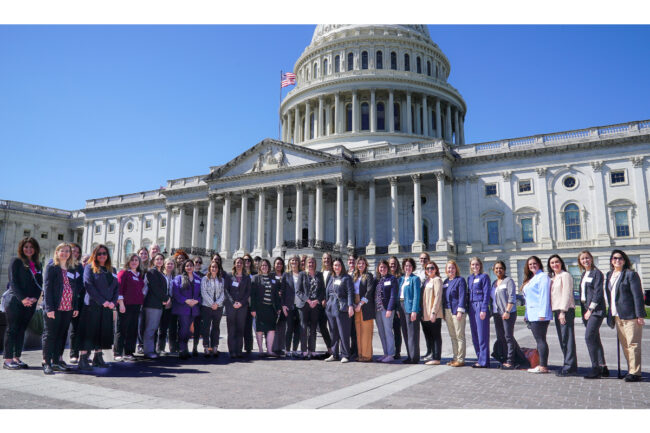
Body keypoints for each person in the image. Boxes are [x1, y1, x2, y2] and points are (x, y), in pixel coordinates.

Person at [605, 249, 646, 382]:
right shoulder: (609, 275)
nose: (617, 260)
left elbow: (637, 296)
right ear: (611, 261)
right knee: (625, 345)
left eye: (620, 258)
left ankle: (635, 372)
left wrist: (640, 315)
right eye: (615, 258)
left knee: (633, 344)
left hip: (631, 315)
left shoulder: (630, 274)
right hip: (617, 315)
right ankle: (631, 369)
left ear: (624, 260)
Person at [3, 237, 42, 370]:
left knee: (22, 330)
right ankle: (8, 360)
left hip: (30, 303)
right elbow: (13, 283)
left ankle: (17, 358)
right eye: (26, 247)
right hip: (15, 301)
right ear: (21, 248)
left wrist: (35, 299)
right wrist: (23, 299)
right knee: (12, 330)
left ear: (35, 249)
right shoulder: (16, 261)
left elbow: (39, 284)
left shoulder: (37, 264)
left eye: (31, 247)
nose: (29, 249)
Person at [77, 245, 118, 370]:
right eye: (99, 253)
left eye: (104, 253)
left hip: (107, 307)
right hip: (92, 306)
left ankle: (98, 357)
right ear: (95, 255)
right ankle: (83, 359)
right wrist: (103, 301)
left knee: (102, 332)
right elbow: (88, 285)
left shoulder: (112, 269)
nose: (102, 255)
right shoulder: (89, 268)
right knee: (89, 333)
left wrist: (113, 302)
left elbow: (116, 288)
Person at [41, 243, 79, 374]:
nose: (65, 253)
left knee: (62, 335)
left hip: (68, 308)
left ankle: (56, 361)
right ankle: (46, 362)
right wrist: (49, 308)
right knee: (50, 335)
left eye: (67, 251)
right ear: (57, 252)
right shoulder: (52, 267)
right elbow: (47, 288)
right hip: (54, 307)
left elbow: (74, 289)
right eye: (62, 251)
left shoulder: (71, 268)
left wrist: (75, 306)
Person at [578, 250, 609, 379]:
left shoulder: (597, 273)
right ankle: (603, 367)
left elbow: (598, 293)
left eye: (587, 258)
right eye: (582, 259)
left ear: (592, 259)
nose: (585, 260)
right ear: (580, 262)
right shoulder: (584, 274)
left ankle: (595, 368)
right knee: (595, 338)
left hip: (595, 310)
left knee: (589, 337)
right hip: (586, 309)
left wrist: (590, 309)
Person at [522, 256, 552, 374]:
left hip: (540, 315)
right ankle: (540, 364)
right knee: (539, 340)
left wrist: (542, 314)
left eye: (534, 263)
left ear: (539, 264)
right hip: (532, 314)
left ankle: (543, 366)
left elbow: (544, 296)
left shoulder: (543, 277)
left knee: (541, 340)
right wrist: (526, 314)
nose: (532, 266)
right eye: (530, 264)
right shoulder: (532, 278)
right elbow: (528, 299)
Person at [548, 254, 577, 376]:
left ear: (561, 263)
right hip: (557, 311)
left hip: (565, 311)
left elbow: (567, 294)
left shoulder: (565, 275)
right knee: (563, 339)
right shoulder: (553, 277)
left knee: (567, 338)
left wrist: (563, 312)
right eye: (552, 263)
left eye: (557, 262)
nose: (555, 264)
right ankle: (568, 363)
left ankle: (569, 366)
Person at [114, 254, 144, 362]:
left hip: (136, 306)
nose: (134, 262)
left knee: (132, 329)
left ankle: (129, 352)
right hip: (124, 305)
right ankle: (118, 352)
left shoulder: (139, 275)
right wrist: (121, 304)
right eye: (132, 260)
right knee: (122, 329)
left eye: (136, 260)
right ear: (128, 261)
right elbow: (119, 289)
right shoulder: (123, 273)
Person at [324, 258, 354, 363]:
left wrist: (350, 306)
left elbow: (350, 292)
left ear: (342, 266)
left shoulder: (347, 278)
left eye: (339, 265)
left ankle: (345, 354)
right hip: (330, 307)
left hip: (341, 307)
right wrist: (326, 302)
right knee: (333, 332)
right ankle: (334, 354)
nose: (337, 267)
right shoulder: (331, 277)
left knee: (343, 332)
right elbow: (327, 291)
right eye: (335, 265)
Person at [250, 259, 282, 357]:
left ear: (269, 267)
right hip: (259, 308)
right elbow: (253, 295)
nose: (264, 267)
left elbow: (276, 295)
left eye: (266, 265)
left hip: (270, 308)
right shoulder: (255, 278)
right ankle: (260, 350)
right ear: (260, 267)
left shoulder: (273, 279)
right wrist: (253, 309)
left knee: (271, 329)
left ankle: (269, 350)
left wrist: (278, 308)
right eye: (262, 265)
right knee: (259, 329)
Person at [171, 259, 201, 360]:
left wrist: (197, 300)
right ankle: (182, 349)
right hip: (183, 308)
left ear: (193, 267)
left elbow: (202, 293)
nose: (189, 267)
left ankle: (185, 348)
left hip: (194, 308)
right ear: (184, 267)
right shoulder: (178, 278)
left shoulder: (198, 278)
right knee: (183, 329)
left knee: (188, 330)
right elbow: (176, 293)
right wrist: (185, 300)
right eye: (187, 266)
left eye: (191, 265)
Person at [490, 261, 518, 369]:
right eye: (496, 268)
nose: (498, 270)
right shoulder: (494, 283)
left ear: (504, 269)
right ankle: (505, 358)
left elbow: (512, 297)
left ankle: (511, 361)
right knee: (500, 337)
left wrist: (507, 311)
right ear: (493, 270)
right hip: (497, 314)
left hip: (507, 313)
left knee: (508, 337)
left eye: (500, 268)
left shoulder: (508, 281)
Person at [143, 253, 170, 359]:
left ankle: (151, 349)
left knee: (153, 328)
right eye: (157, 259)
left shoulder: (160, 273)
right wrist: (166, 298)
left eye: (161, 259)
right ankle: (148, 351)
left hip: (158, 304)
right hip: (152, 304)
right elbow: (155, 288)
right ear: (153, 261)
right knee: (150, 329)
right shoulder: (152, 272)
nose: (159, 261)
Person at [298, 256, 325, 359]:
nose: (311, 264)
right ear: (306, 264)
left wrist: (317, 300)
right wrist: (308, 300)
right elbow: (298, 291)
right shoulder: (302, 274)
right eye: (309, 263)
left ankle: (312, 350)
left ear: (315, 264)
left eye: (312, 262)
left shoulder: (319, 275)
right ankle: (304, 351)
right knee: (304, 327)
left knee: (313, 328)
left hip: (315, 305)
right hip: (305, 305)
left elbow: (322, 290)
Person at [467, 257, 491, 368]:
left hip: (480, 305)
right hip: (472, 307)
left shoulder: (484, 277)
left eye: (477, 264)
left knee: (482, 335)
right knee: (475, 335)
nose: (475, 266)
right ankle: (479, 358)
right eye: (473, 265)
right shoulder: (470, 278)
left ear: (480, 265)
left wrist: (484, 309)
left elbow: (486, 294)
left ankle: (484, 361)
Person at [225, 257, 251, 359]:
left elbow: (248, 292)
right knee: (231, 329)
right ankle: (232, 351)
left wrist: (241, 303)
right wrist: (232, 302)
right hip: (231, 306)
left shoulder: (246, 277)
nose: (239, 264)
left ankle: (239, 350)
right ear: (234, 264)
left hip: (242, 306)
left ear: (243, 264)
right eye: (237, 263)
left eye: (241, 262)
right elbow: (226, 290)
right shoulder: (229, 276)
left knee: (240, 329)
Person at [200, 260, 227, 357]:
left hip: (218, 307)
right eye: (212, 267)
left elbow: (224, 293)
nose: (214, 269)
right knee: (206, 327)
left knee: (216, 327)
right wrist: (212, 303)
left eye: (215, 267)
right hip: (207, 306)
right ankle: (206, 347)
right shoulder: (205, 279)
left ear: (218, 269)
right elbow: (203, 292)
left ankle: (215, 347)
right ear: (209, 268)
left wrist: (217, 303)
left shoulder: (222, 280)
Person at [442, 260, 466, 367]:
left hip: (457, 311)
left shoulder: (460, 280)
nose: (450, 270)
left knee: (459, 335)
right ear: (446, 270)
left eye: (452, 268)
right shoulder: (446, 281)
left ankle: (460, 359)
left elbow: (462, 296)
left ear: (456, 269)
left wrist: (460, 310)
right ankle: (455, 357)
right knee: (452, 336)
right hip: (447, 310)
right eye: (449, 268)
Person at [398, 257, 421, 364]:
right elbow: (399, 295)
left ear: (413, 267)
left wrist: (414, 311)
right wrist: (398, 309)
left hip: (410, 307)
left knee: (413, 333)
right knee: (406, 333)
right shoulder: (401, 279)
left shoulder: (415, 279)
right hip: (401, 306)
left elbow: (417, 296)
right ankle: (409, 355)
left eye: (410, 266)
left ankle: (414, 357)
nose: (408, 268)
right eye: (406, 266)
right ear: (403, 267)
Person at [374, 259, 398, 363]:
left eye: (384, 267)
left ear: (387, 268)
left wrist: (389, 308)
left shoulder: (392, 279)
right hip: (378, 310)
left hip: (386, 309)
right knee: (381, 332)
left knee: (388, 331)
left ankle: (391, 354)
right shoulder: (378, 279)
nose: (382, 269)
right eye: (380, 267)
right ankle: (385, 353)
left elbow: (393, 295)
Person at [65, 242, 85, 365]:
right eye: (73, 251)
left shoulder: (79, 266)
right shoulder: (63, 265)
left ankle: (74, 354)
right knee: (62, 330)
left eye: (78, 252)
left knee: (76, 329)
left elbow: (81, 283)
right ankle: (56, 357)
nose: (75, 254)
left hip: (77, 301)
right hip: (64, 301)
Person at [353, 256, 375, 362]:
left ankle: (367, 355)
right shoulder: (355, 276)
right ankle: (360, 354)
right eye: (359, 263)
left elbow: (369, 292)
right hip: (356, 305)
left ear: (366, 264)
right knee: (359, 331)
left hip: (365, 306)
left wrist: (360, 304)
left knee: (366, 332)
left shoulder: (369, 276)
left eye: (363, 263)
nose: (361, 265)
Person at [421, 260, 443, 366]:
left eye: (432, 268)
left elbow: (438, 296)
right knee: (429, 335)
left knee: (436, 335)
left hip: (434, 313)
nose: (430, 270)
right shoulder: (426, 281)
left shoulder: (437, 280)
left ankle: (437, 357)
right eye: (428, 268)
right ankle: (433, 355)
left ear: (436, 269)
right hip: (426, 314)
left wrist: (434, 312)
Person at [282, 255, 302, 358]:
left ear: (298, 262)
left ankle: (294, 349)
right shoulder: (286, 275)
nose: (294, 262)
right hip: (289, 305)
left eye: (295, 260)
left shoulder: (302, 274)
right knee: (289, 328)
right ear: (289, 262)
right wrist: (283, 305)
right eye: (292, 260)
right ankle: (287, 349)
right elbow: (283, 291)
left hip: (300, 306)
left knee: (298, 329)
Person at [156, 258, 177, 355]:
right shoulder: (161, 276)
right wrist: (165, 300)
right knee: (162, 327)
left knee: (173, 327)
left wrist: (171, 301)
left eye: (171, 264)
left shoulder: (175, 277)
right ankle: (160, 348)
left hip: (172, 304)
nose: (170, 266)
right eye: (168, 264)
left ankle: (173, 348)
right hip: (162, 303)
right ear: (164, 265)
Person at [272, 257, 288, 355]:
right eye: (277, 263)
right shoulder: (271, 275)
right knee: (273, 326)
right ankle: (273, 347)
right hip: (273, 304)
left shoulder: (285, 276)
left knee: (282, 326)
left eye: (280, 264)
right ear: (274, 265)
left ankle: (281, 347)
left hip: (283, 303)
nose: (279, 265)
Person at [135, 246, 150, 355]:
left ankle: (145, 344)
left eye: (145, 253)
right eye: (141, 253)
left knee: (146, 323)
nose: (143, 255)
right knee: (139, 323)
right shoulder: (135, 267)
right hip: (136, 299)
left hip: (148, 299)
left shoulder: (149, 268)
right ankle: (140, 345)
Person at [388, 256, 403, 359]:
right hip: (387, 307)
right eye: (391, 264)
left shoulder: (400, 277)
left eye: (394, 263)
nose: (392, 265)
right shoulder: (386, 276)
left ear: (397, 265)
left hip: (396, 307)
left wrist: (398, 308)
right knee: (388, 330)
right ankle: (390, 350)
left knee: (397, 330)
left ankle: (397, 351)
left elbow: (399, 294)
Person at [242, 253, 256, 355]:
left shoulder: (254, 274)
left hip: (250, 303)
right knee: (239, 326)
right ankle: (238, 346)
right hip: (241, 303)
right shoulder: (239, 273)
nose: (247, 262)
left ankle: (248, 347)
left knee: (248, 326)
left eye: (248, 260)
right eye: (245, 260)